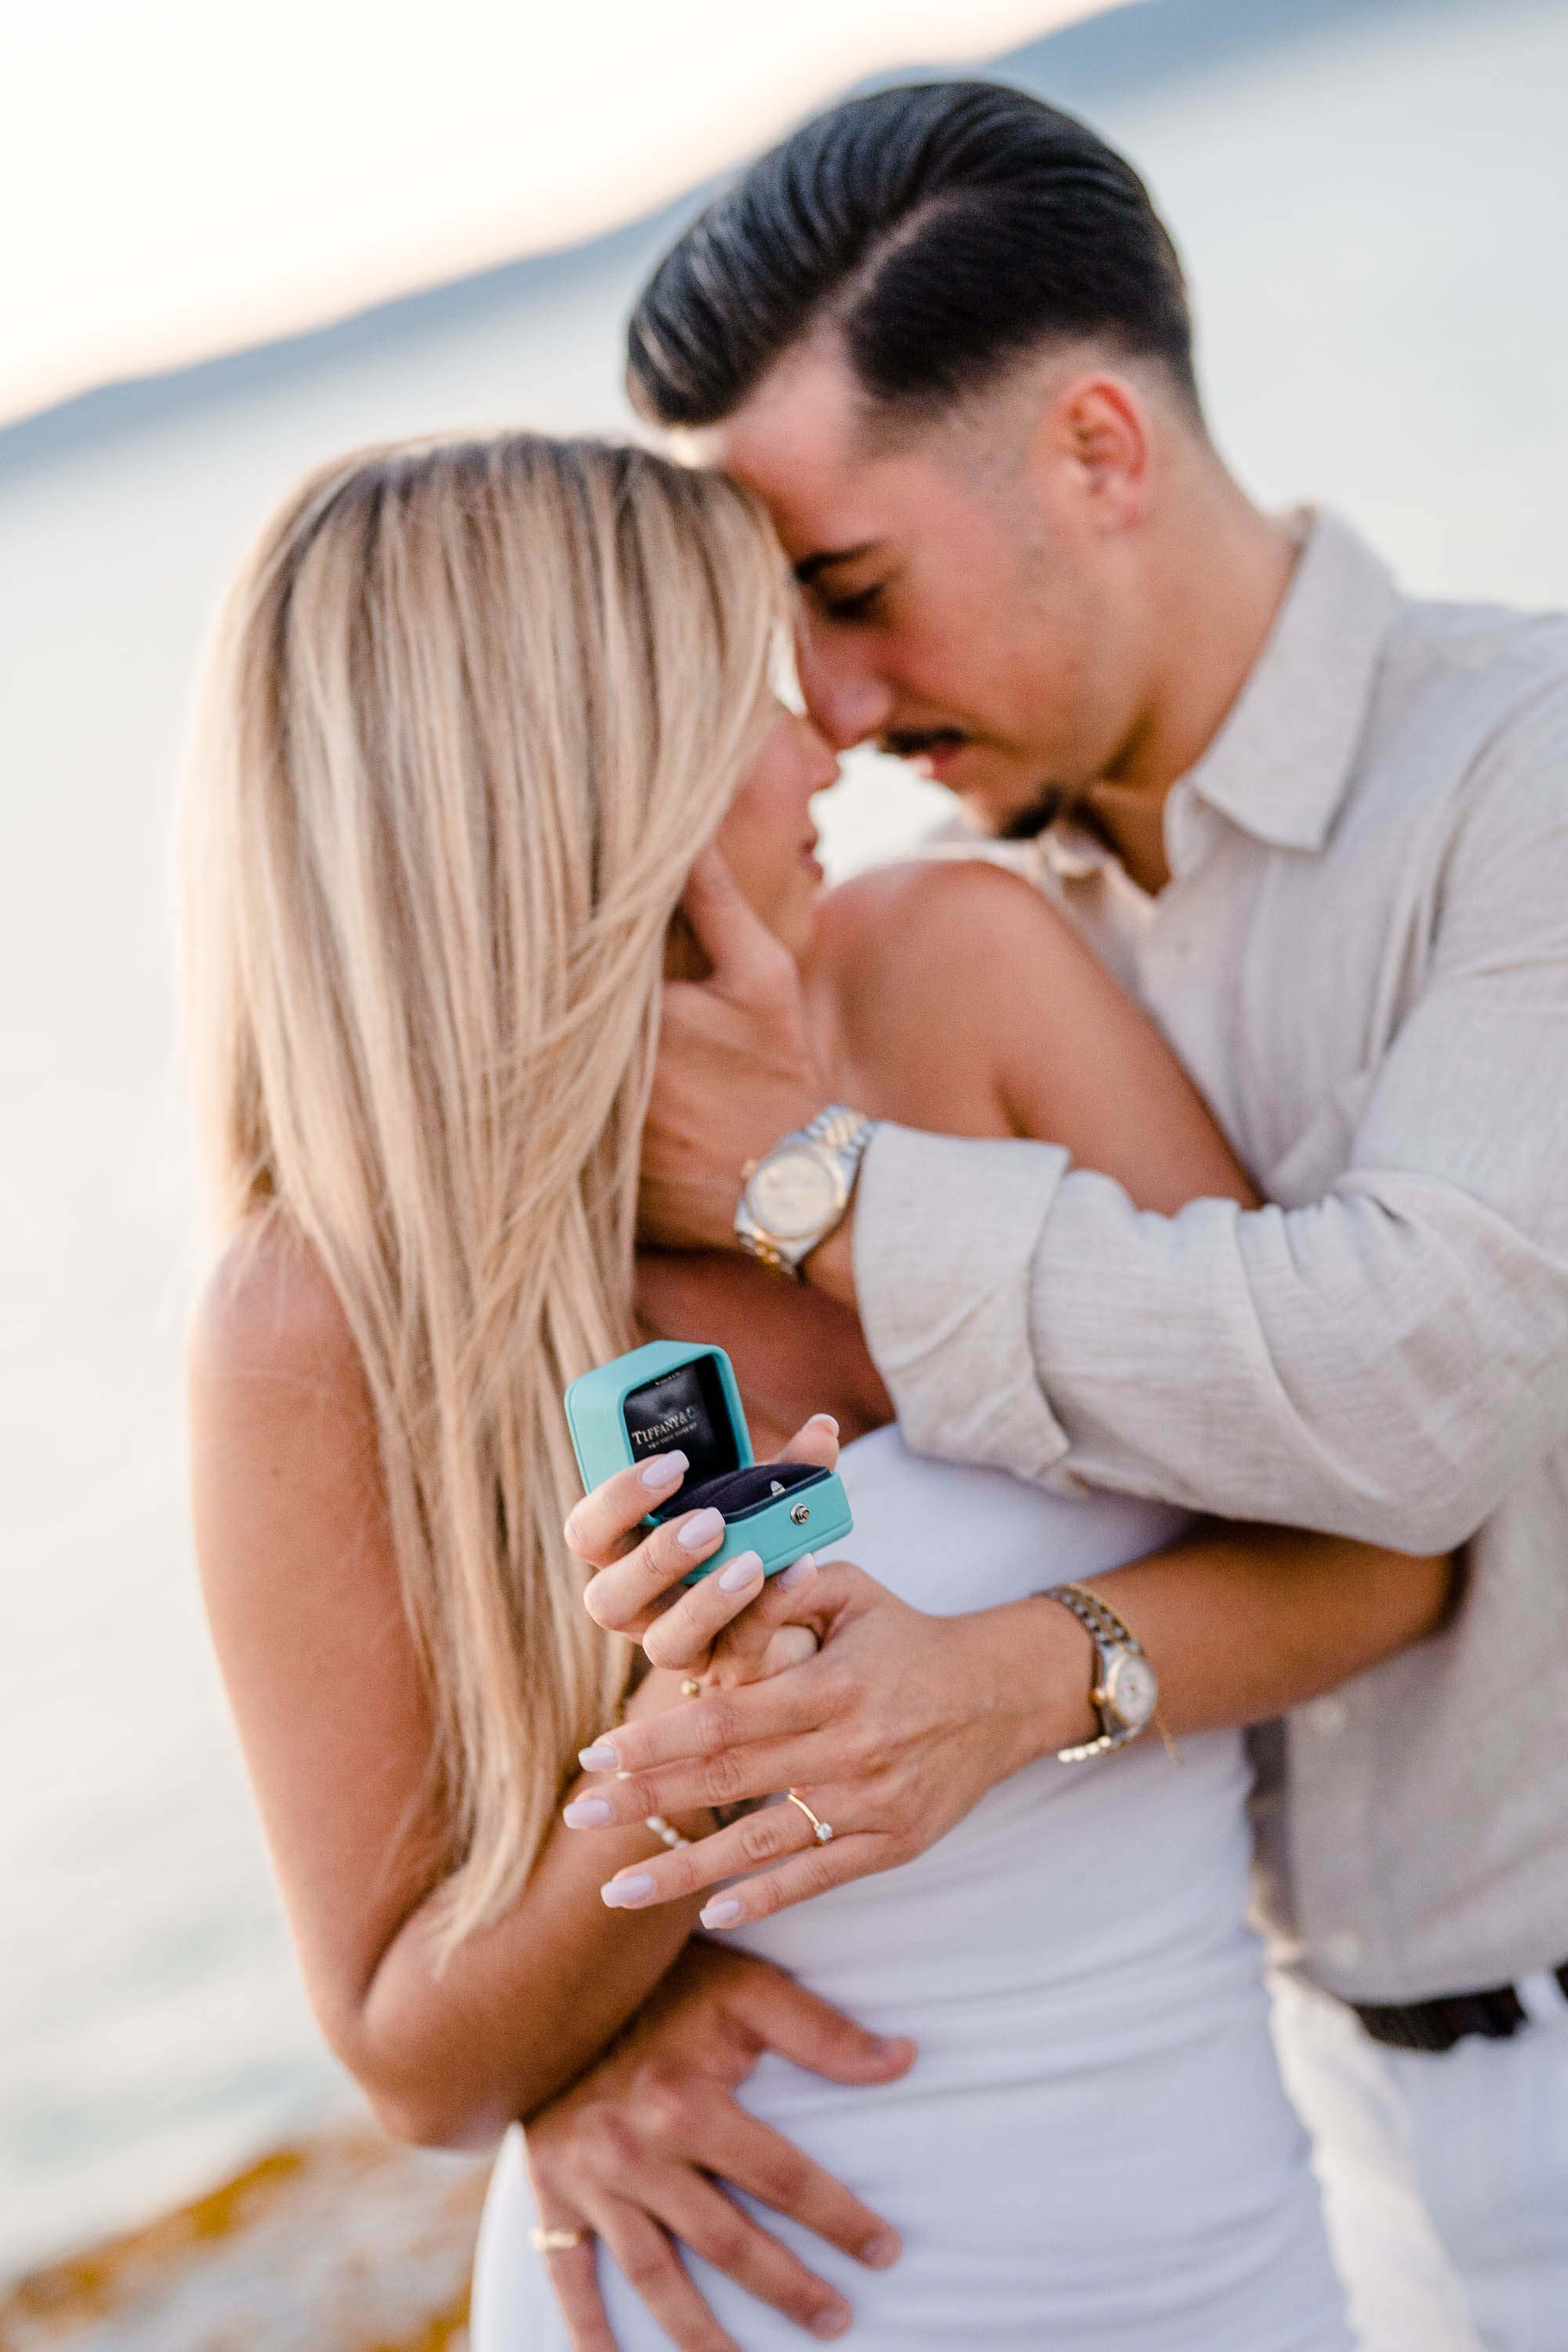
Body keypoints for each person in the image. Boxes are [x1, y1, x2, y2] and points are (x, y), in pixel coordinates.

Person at [179, 431, 1443, 2351]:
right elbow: (415, 2062)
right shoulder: (322, 1315)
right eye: (746, 695)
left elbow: (1377, 1547)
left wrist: (1016, 1675)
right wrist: (685, 1769)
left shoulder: (962, 969)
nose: (822, 747)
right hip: (757, 2290)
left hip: (1227, 2255)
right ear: (591, 778)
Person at [526, 78, 1568, 2352]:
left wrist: (819, 1192)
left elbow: (1415, 1404)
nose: (824, 703)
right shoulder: (954, 937)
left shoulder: (1533, 772)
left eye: (854, 592)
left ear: (1099, 450)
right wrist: (582, 2039)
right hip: (1295, 2129)